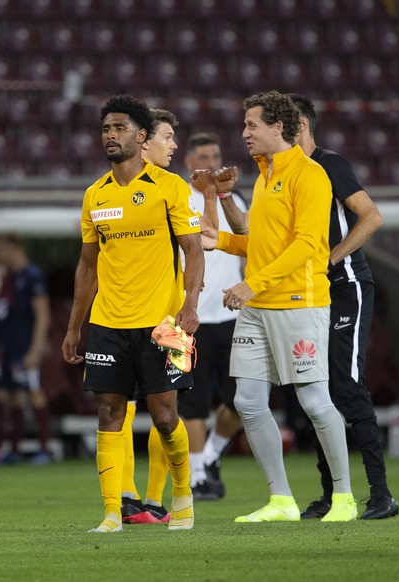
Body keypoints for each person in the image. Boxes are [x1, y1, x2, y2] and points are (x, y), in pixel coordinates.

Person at [208, 95, 397, 519]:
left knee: (315, 399)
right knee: (249, 402)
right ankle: (281, 500)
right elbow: (262, 242)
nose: (244, 133)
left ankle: (345, 498)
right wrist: (218, 239)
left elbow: (309, 244)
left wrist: (250, 284)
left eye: (252, 125)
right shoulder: (264, 175)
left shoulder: (312, 175)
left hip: (299, 303)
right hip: (260, 304)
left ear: (278, 127)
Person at [62, 94, 204, 533]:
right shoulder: (94, 195)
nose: (111, 135)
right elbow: (87, 265)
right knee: (109, 414)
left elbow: (194, 252)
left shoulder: (170, 187)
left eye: (119, 128)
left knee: (165, 418)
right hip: (108, 323)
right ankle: (110, 513)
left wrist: (190, 305)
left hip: (166, 324)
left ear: (141, 137)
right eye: (106, 128)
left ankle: (182, 495)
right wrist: (74, 326)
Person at [113, 108, 180, 524]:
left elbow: (199, 242)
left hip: (168, 312)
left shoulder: (172, 189)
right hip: (129, 314)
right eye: (168, 137)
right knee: (122, 404)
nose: (173, 146)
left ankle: (150, 500)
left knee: (162, 409)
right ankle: (130, 496)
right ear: (144, 140)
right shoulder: (110, 190)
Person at [183, 133, 246, 500]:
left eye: (216, 155)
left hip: (232, 316)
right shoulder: (178, 200)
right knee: (192, 403)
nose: (211, 162)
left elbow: (246, 249)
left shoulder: (233, 199)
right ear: (189, 162)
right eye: (204, 156)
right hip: (192, 318)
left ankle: (208, 457)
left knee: (243, 398)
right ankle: (196, 478)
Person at [0, 234, 52, 466]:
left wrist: (36, 350)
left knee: (34, 393)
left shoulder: (32, 275)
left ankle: (44, 448)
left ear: (14, 246)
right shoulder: (12, 277)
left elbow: (42, 314)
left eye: (2, 248)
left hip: (27, 346)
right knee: (14, 395)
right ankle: (14, 449)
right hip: (11, 346)